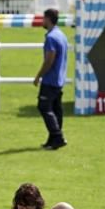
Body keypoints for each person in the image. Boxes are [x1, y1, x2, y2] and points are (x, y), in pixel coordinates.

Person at [33, 8, 68, 150]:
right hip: (59, 79)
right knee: (56, 109)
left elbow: (49, 60)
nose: (42, 21)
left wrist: (38, 76)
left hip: (50, 79)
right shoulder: (61, 35)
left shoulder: (51, 37)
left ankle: (57, 136)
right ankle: (52, 139)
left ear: (48, 19)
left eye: (43, 18)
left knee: (44, 107)